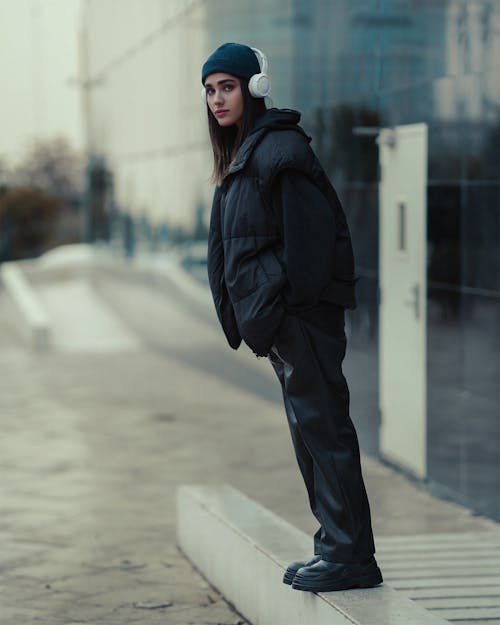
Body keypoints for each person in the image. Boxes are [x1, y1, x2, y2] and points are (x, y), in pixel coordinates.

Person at [202, 42, 382, 593]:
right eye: (209, 90)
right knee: (312, 431)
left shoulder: (279, 150)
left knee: (324, 430)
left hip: (299, 319)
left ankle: (350, 556)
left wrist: (281, 312)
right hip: (285, 323)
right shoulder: (246, 155)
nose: (216, 99)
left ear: (254, 87)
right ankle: (335, 546)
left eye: (227, 86)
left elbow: (309, 244)